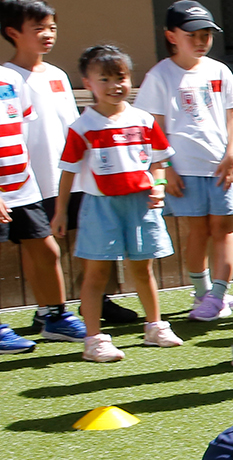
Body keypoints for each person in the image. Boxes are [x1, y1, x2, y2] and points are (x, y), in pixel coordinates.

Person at [49, 44, 182, 360]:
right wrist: (60, 212)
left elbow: (159, 162)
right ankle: (94, 340)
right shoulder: (81, 127)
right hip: (100, 207)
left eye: (120, 77)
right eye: (105, 79)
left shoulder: (144, 120)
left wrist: (159, 186)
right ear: (88, 83)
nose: (115, 86)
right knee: (95, 274)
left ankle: (155, 326)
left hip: (140, 205)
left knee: (143, 269)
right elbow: (67, 173)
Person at [135, 0, 233, 321]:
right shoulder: (159, 76)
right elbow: (153, 128)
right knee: (198, 231)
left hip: (221, 165)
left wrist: (231, 153)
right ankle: (203, 293)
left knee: (224, 227)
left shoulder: (219, 70)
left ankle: (219, 294)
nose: (200, 41)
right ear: (171, 36)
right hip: (184, 169)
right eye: (192, 34)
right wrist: (165, 167)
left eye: (207, 35)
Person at [0, 0, 86, 349]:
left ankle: (52, 315)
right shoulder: (6, 78)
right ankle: (53, 313)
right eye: (39, 28)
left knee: (48, 249)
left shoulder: (56, 75)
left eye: (52, 27)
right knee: (44, 249)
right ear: (12, 32)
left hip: (44, 183)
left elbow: (72, 128)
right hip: (15, 185)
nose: (48, 34)